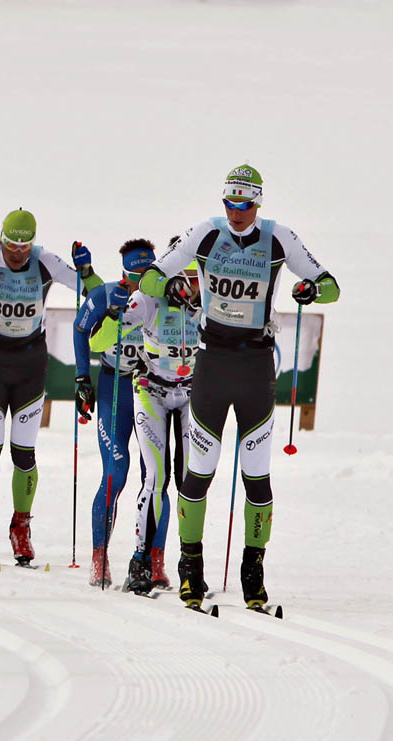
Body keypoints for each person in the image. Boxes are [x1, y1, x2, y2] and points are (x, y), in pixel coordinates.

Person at [139, 164, 339, 608]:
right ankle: (191, 569)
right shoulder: (205, 233)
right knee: (198, 475)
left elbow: (331, 287)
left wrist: (310, 290)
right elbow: (151, 275)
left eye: (244, 205)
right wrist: (168, 282)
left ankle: (253, 572)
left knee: (258, 479)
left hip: (255, 366)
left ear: (258, 203)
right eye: (229, 203)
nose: (235, 213)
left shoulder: (279, 237)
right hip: (211, 365)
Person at [0, 210, 103, 566]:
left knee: (24, 454)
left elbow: (96, 294)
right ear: (0, 239)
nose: (17, 253)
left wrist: (87, 271)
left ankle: (21, 528)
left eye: (23, 246)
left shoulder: (46, 261)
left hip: (30, 362)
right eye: (10, 245)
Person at [90, 252, 202, 593]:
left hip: (190, 396)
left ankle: (184, 564)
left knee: (189, 482)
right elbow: (97, 341)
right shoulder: (149, 299)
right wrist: (113, 315)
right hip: (150, 391)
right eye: (187, 279)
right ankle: (138, 562)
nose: (194, 287)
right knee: (154, 477)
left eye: (200, 279)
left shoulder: (210, 303)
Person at [72, 240, 152, 586]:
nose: (139, 285)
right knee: (116, 471)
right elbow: (85, 336)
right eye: (133, 277)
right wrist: (81, 379)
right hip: (114, 386)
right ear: (123, 274)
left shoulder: (161, 296)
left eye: (146, 277)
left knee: (155, 477)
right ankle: (99, 557)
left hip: (152, 391)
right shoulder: (106, 295)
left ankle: (154, 559)